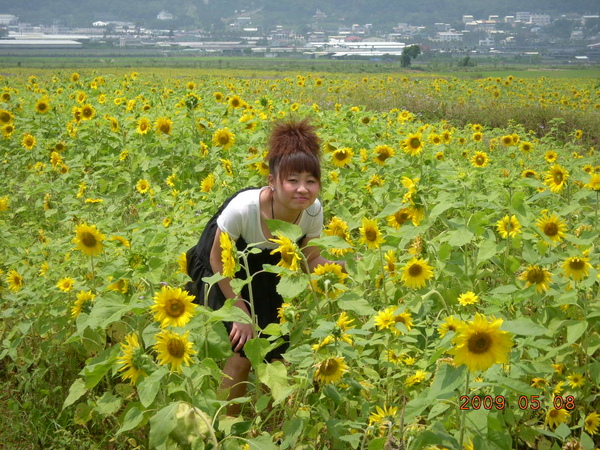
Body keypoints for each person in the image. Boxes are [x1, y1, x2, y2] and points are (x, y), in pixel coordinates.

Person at [186, 118, 344, 415]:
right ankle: (225, 424)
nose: (302, 189)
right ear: (272, 182)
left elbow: (310, 260)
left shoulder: (313, 212)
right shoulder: (244, 209)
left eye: (311, 181)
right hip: (225, 259)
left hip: (268, 262)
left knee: (276, 344)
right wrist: (239, 311)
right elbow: (218, 260)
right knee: (244, 346)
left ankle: (269, 419)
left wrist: (342, 268)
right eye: (292, 180)